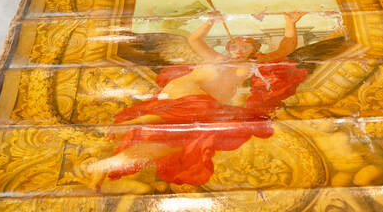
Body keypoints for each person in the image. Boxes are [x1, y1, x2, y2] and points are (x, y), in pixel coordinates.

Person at [87, 11, 308, 189]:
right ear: (228, 48)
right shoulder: (215, 58)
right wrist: (210, 21)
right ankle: (132, 124)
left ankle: (106, 166)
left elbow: (286, 48)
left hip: (197, 107)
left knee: (177, 146)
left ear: (254, 49)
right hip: (187, 97)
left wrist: (289, 22)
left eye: (245, 46)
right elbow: (195, 39)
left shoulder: (255, 63)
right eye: (235, 45)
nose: (239, 49)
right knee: (205, 109)